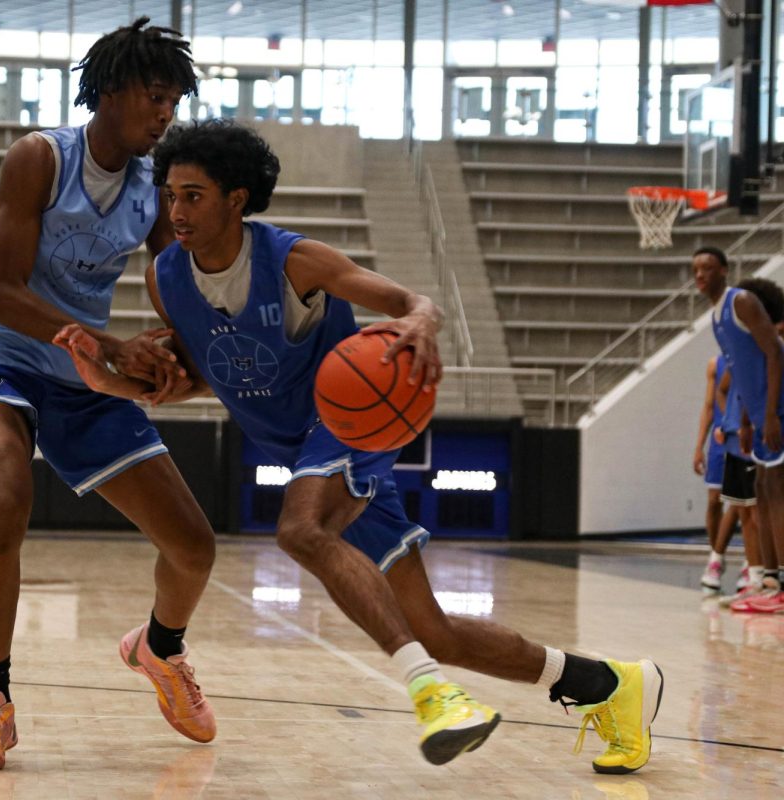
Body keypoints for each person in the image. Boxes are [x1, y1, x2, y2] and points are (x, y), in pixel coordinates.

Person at [55, 120, 664, 773]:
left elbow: (410, 299)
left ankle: (431, 692)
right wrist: (111, 381)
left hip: (348, 427)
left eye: (194, 196)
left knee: (300, 529)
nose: (176, 211)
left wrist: (420, 320)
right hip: (297, 450)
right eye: (171, 195)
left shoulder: (295, 260)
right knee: (438, 630)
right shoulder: (166, 276)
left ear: (237, 199)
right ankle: (613, 685)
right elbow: (214, 375)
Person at [0, 18, 218, 773]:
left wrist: (191, 358)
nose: (166, 114)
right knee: (4, 498)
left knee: (194, 548)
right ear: (112, 91)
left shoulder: (152, 191)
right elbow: (0, 292)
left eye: (174, 103)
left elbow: (175, 291)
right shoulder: (40, 158)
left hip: (83, 377)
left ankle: (159, 650)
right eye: (157, 96)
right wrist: (104, 342)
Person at [696, 250, 784, 613]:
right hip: (758, 416)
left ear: (724, 271)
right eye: (695, 269)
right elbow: (742, 372)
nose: (700, 275)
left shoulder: (741, 302)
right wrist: (746, 420)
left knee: (775, 493)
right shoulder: (716, 318)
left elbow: (774, 353)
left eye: (707, 268)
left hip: (776, 411)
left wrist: (770, 415)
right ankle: (769, 579)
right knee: (761, 491)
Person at [712, 365, 763, 606]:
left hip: (756, 440)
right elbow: (721, 391)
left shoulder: (768, 354)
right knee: (745, 514)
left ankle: (768, 579)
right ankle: (754, 580)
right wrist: (727, 420)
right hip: (734, 442)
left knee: (758, 513)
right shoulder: (736, 358)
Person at [693, 354, 740, 593]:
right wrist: (699, 446)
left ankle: (747, 562)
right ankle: (717, 557)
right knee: (714, 501)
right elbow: (709, 406)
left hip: (742, 437)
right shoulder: (715, 363)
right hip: (719, 441)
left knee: (740, 502)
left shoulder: (758, 355)